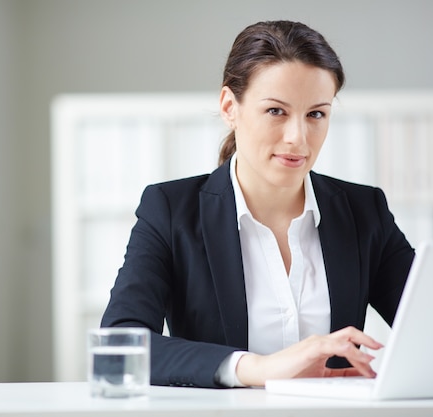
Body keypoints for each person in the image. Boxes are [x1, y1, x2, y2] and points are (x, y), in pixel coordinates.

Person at [100, 20, 415, 388]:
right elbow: (119, 346)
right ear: (229, 107)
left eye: (316, 114)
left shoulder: (364, 211)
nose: (298, 138)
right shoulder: (170, 210)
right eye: (276, 111)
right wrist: (256, 369)